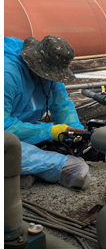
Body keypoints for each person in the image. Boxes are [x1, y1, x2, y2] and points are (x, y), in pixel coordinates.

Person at [4, 35, 91, 188]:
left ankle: (23, 173)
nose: (51, 78)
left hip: (22, 129)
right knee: (75, 169)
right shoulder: (7, 75)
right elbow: (4, 126)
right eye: (48, 74)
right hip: (6, 134)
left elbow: (62, 105)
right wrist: (49, 131)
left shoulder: (50, 78)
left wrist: (76, 132)